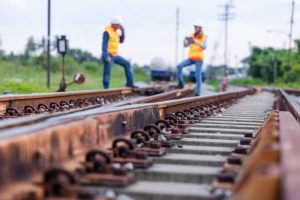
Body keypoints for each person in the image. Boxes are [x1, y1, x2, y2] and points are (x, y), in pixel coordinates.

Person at [101, 16, 137, 89]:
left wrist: (123, 32)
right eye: (119, 25)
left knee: (127, 63)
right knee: (107, 73)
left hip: (115, 55)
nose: (120, 26)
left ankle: (130, 83)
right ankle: (106, 89)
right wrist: (105, 55)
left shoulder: (115, 32)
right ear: (115, 24)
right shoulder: (107, 31)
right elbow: (104, 44)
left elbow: (121, 41)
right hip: (108, 55)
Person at [176, 20, 207, 96]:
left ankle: (198, 92)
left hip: (199, 59)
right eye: (195, 27)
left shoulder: (204, 36)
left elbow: (204, 47)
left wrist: (197, 42)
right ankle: (180, 82)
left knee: (198, 75)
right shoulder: (191, 36)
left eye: (197, 27)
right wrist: (185, 41)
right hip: (191, 58)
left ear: (200, 28)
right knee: (179, 66)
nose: (195, 28)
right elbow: (185, 46)